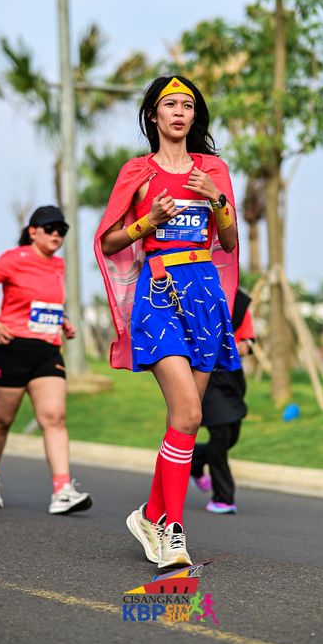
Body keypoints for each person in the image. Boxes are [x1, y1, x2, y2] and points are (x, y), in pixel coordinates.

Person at [95, 75, 240, 568]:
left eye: (187, 105)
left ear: (195, 116)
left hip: (205, 295)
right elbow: (108, 241)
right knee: (189, 414)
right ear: (153, 116)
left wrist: (216, 199)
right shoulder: (136, 171)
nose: (179, 112)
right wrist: (148, 222)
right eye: (170, 105)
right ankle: (172, 532)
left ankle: (150, 515)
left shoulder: (213, 169)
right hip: (158, 294)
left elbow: (229, 243)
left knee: (184, 419)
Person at [0, 206, 92, 515]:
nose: (56, 234)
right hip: (10, 347)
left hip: (47, 351)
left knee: (54, 417)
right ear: (33, 231)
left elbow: (43, 304)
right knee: (1, 422)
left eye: (62, 230)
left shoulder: (59, 265)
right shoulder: (15, 259)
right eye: (50, 228)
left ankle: (62, 490)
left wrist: (62, 321)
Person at [190, 288, 255, 514]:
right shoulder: (195, 292)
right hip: (205, 372)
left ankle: (193, 460)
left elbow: (248, 338)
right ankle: (223, 497)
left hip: (232, 375)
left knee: (232, 434)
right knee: (221, 434)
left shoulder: (239, 300)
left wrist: (244, 345)